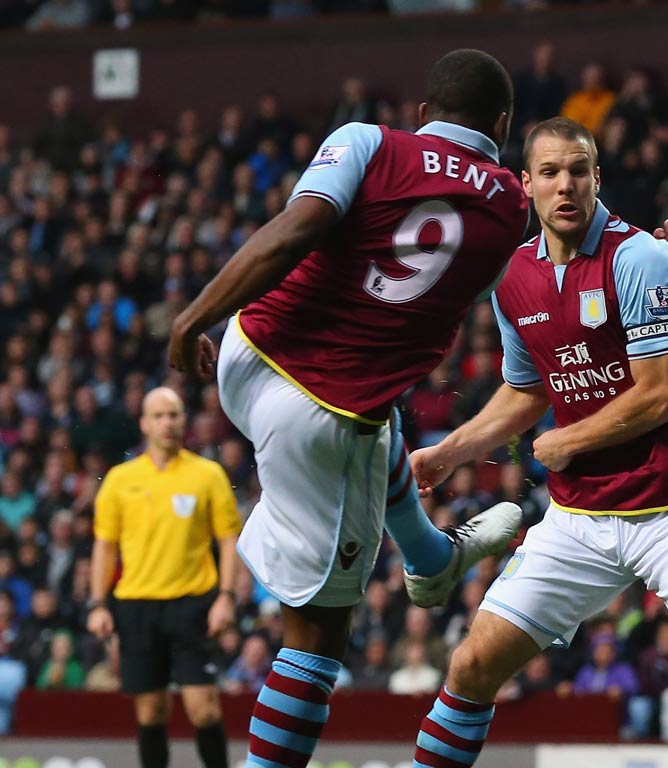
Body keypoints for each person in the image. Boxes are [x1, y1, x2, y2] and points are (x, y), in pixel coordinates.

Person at [406, 118, 668, 768]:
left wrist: (566, 439)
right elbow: (526, 390)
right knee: (471, 663)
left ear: (597, 177)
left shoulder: (639, 258)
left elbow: (659, 393)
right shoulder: (514, 277)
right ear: (526, 184)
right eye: (550, 172)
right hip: (578, 521)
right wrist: (449, 451)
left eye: (578, 170)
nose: (566, 184)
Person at [167, 49, 529, 767]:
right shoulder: (513, 203)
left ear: (424, 114)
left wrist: (192, 319)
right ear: (502, 125)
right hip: (322, 419)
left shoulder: (368, 140)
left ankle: (429, 554)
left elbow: (297, 229)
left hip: (245, 351)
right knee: (318, 636)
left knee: (384, 422)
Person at [86, 387, 241, 768]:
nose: (166, 422)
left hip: (194, 604)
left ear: (184, 421)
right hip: (137, 605)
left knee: (203, 709)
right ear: (144, 424)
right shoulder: (121, 480)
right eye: (158, 415)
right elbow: (105, 547)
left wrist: (226, 597)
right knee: (151, 712)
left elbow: (228, 540)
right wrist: (98, 604)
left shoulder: (208, 474)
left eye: (173, 414)